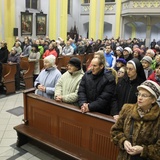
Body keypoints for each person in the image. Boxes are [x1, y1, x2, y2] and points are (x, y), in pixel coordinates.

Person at [111, 80, 160, 160]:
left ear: (153, 100)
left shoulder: (158, 117)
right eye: (139, 94)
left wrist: (143, 150)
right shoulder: (127, 109)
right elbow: (115, 131)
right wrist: (123, 141)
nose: (140, 98)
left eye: (144, 95)